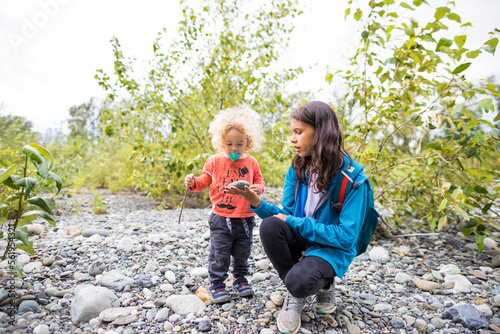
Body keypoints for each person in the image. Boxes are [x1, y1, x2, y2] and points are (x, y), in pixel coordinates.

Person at [225, 101, 374, 334]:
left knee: (298, 281)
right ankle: (297, 293)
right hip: (306, 239)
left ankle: (321, 282)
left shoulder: (353, 180)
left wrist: (296, 222)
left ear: (321, 133)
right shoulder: (298, 167)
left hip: (332, 248)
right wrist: (255, 202)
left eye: (299, 132)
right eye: (292, 132)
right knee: (270, 226)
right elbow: (286, 216)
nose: (292, 139)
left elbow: (347, 237)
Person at [184, 105, 265, 304]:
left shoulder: (251, 162)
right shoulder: (214, 161)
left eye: (240, 144)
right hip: (221, 217)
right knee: (219, 252)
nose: (234, 148)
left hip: (245, 218)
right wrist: (194, 183)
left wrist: (256, 189)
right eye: (229, 144)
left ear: (249, 142)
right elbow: (205, 180)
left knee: (242, 251)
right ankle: (216, 283)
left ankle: (240, 278)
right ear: (221, 142)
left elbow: (260, 182)